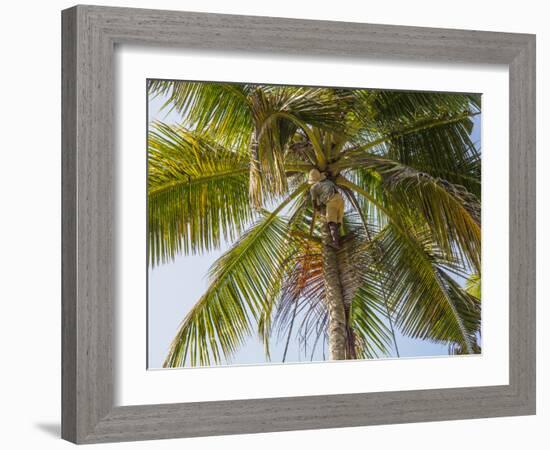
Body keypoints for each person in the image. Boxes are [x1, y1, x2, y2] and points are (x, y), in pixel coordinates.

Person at [308, 169, 345, 249]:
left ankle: (335, 243)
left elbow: (314, 202)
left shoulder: (313, 187)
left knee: (331, 222)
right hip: (340, 199)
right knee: (338, 222)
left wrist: (317, 209)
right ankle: (338, 240)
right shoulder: (327, 180)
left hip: (331, 201)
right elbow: (327, 173)